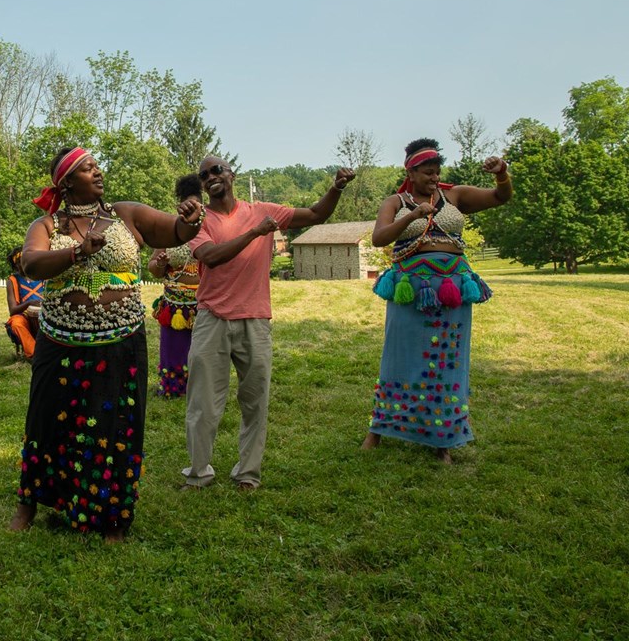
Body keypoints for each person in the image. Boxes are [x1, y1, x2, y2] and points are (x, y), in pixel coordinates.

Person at [11, 147, 205, 542]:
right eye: (87, 168)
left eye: (97, 166)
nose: (98, 173)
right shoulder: (48, 224)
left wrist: (190, 220)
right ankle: (30, 504)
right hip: (60, 340)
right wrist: (77, 251)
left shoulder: (126, 214)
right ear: (66, 182)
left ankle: (110, 515)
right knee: (46, 420)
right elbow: (30, 263)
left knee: (115, 425)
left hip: (119, 340)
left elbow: (175, 232)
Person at [182, 156, 356, 492]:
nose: (211, 177)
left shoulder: (263, 210)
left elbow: (317, 214)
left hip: (255, 319)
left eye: (217, 170)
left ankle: (248, 473)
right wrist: (255, 233)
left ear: (231, 175)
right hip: (212, 320)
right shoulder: (198, 221)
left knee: (255, 400)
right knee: (203, 403)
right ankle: (198, 473)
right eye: (203, 176)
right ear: (202, 186)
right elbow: (211, 258)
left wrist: (335, 188)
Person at [363, 139, 511, 464]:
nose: (434, 178)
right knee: (399, 355)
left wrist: (502, 174)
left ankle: (441, 436)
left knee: (445, 359)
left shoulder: (453, 195)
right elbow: (379, 237)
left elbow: (501, 197)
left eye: (437, 172)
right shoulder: (396, 201)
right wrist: (412, 215)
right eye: (427, 172)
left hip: (452, 286)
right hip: (411, 287)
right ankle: (380, 427)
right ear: (411, 172)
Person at [148, 173, 204, 398]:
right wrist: (159, 264)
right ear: (179, 205)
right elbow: (153, 266)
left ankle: (201, 388)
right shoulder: (168, 228)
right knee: (173, 347)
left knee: (202, 350)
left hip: (204, 301)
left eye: (196, 204)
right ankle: (173, 386)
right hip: (174, 304)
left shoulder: (210, 227)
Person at [4, 247, 43, 361]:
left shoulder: (42, 277)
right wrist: (29, 303)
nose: (26, 263)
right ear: (16, 265)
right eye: (22, 261)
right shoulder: (12, 280)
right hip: (23, 315)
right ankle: (34, 354)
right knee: (16, 324)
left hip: (44, 313)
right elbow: (13, 310)